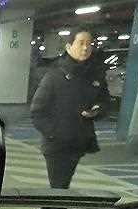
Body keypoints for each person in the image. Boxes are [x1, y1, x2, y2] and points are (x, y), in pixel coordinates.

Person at [29, 28, 110, 191]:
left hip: (79, 142)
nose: (85, 48)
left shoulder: (95, 75)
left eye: (89, 44)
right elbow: (37, 112)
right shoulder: (54, 76)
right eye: (81, 43)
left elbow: (104, 101)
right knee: (59, 186)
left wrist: (97, 110)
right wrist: (54, 134)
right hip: (57, 145)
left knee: (61, 186)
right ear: (69, 47)